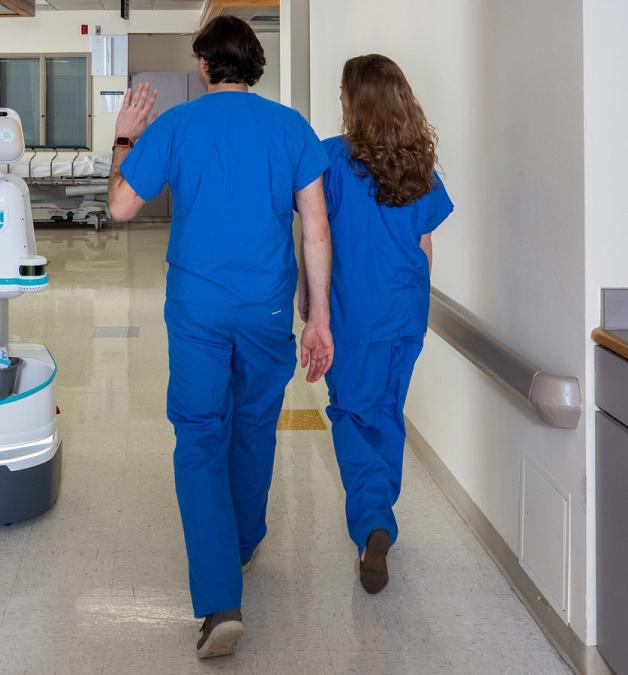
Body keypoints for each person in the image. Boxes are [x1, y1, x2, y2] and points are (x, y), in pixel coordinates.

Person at [108, 16, 334, 659]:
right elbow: (315, 229)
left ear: (206, 65)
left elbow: (121, 207)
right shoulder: (291, 127)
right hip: (266, 311)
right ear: (254, 64)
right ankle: (240, 542)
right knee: (256, 426)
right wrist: (318, 318)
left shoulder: (178, 125)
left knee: (201, 437)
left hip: (199, 309)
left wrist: (125, 139)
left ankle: (218, 603)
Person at [299, 54, 454, 594]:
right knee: (387, 411)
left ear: (355, 102)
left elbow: (314, 234)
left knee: (352, 415)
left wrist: (309, 300)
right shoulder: (419, 167)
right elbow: (424, 245)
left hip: (353, 315)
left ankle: (372, 523)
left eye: (344, 93)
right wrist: (412, 307)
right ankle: (381, 511)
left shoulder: (329, 160)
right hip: (406, 314)